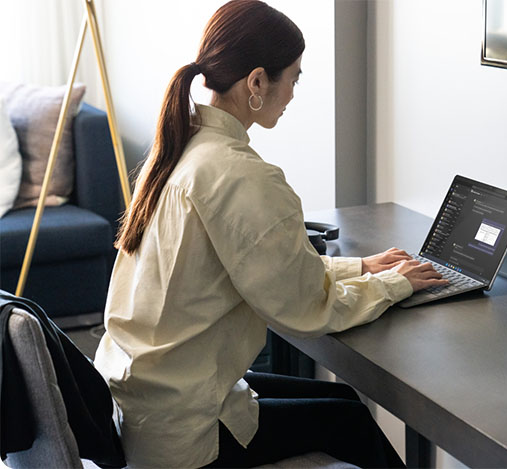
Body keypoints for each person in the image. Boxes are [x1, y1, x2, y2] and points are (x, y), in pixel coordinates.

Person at [92, 1, 447, 467]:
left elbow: (257, 268)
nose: (295, 93)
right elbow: (304, 308)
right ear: (257, 82)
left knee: (344, 406)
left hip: (143, 398)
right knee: (351, 425)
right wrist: (394, 284)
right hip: (182, 430)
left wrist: (358, 265)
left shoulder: (178, 151)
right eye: (294, 77)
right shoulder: (240, 176)